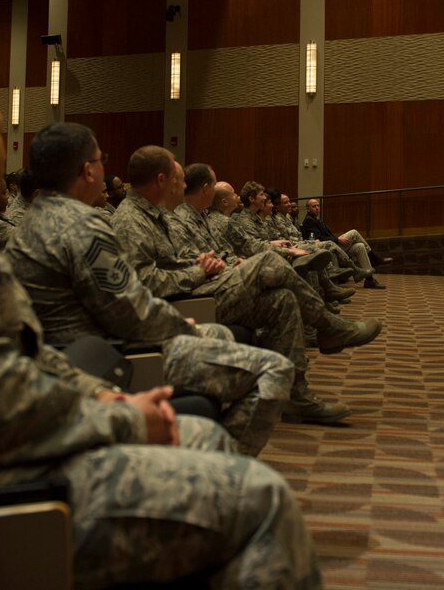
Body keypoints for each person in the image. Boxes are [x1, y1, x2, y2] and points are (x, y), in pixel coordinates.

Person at [0, 65, 320, 589]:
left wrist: (103, 398)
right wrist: (123, 422)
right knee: (262, 502)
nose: (7, 149)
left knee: (203, 438)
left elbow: (19, 352)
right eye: (0, 132)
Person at [5, 122, 294, 456]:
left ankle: (210, 458)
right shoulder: (82, 224)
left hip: (81, 353)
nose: (104, 167)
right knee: (273, 370)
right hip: (114, 354)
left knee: (225, 336)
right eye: (101, 159)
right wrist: (183, 327)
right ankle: (229, 463)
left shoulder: (30, 223)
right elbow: (129, 310)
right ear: (87, 171)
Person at [113, 150, 384, 424]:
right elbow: (145, 283)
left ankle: (296, 396)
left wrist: (203, 262)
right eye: (178, 180)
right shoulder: (131, 221)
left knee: (282, 300)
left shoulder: (158, 216)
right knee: (268, 262)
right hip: (184, 302)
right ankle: (329, 326)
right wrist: (198, 270)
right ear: (161, 180)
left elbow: (178, 259)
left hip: (199, 288)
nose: (183, 187)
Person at [302, 198, 389, 289]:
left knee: (360, 246)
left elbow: (327, 235)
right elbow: (319, 238)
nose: (317, 208)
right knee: (354, 232)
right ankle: (373, 257)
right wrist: (337, 239)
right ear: (308, 209)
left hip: (334, 245)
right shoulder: (309, 220)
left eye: (318, 205)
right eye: (314, 206)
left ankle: (369, 280)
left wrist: (338, 237)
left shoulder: (317, 219)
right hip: (328, 248)